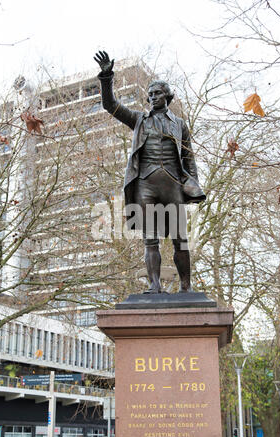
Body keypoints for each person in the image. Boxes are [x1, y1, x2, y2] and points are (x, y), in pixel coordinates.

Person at [94, 51, 206, 294]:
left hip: (173, 185)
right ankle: (154, 286)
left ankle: (186, 287)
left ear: (168, 97)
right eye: (150, 94)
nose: (152, 97)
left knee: (180, 239)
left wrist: (193, 185)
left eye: (157, 93)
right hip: (146, 185)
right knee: (150, 239)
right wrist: (106, 77)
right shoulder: (139, 120)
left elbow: (188, 156)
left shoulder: (179, 124)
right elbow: (110, 105)